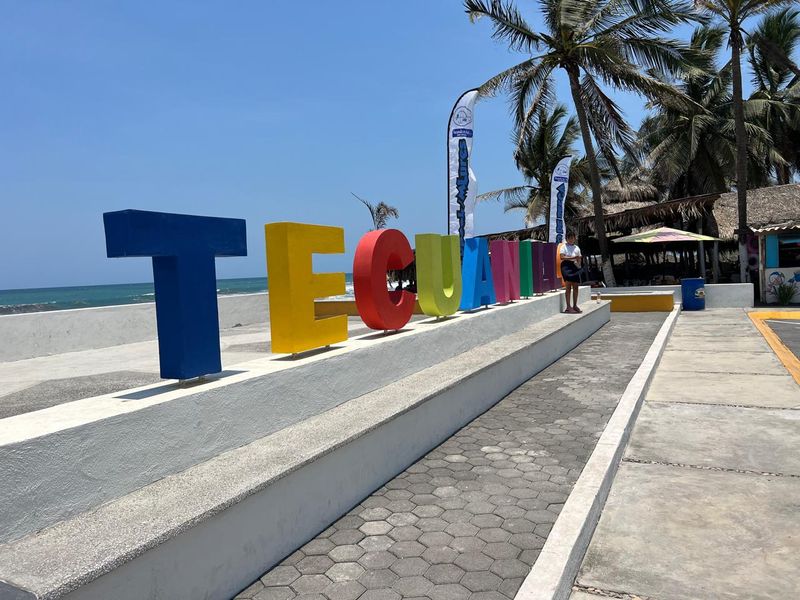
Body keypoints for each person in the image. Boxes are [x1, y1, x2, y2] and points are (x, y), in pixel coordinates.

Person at [560, 232, 583, 313]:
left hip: (574, 266)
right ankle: (568, 306)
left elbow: (579, 257)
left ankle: (575, 305)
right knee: (568, 285)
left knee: (576, 286)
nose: (570, 239)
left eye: (572, 238)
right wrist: (573, 257)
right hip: (566, 266)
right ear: (566, 239)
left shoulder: (577, 247)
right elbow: (562, 257)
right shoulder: (563, 247)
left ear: (574, 238)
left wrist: (579, 264)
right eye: (569, 238)